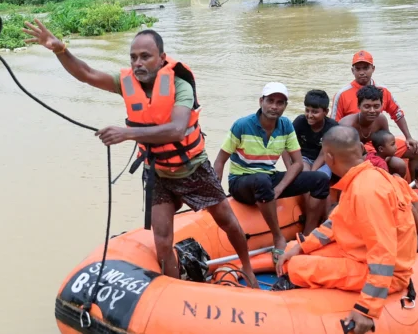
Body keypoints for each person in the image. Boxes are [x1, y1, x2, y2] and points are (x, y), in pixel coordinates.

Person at [22, 21, 258, 287]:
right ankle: (173, 289)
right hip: (158, 172)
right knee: (162, 240)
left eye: (145, 56)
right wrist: (60, 50)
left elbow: (178, 130)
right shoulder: (126, 83)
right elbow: (86, 73)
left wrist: (126, 133)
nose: (138, 63)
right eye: (133, 57)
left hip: (192, 167)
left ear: (161, 59)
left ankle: (247, 267)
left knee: (228, 221)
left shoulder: (180, 85)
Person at [273, 126, 418, 334]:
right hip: (358, 252)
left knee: (296, 267)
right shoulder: (362, 178)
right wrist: (302, 246)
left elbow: (383, 253)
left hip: (385, 270)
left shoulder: (367, 190)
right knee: (293, 250)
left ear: (329, 158)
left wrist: (367, 309)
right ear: (360, 148)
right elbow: (334, 224)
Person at [212, 82, 331, 259]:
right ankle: (278, 237)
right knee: (261, 180)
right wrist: (215, 197)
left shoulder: (285, 125)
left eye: (280, 103)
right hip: (241, 181)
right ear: (261, 101)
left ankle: (307, 233)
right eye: (270, 101)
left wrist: (280, 188)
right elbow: (220, 161)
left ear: (285, 106)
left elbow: (298, 163)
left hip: (268, 178)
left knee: (320, 179)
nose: (274, 106)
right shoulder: (242, 125)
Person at [331, 50, 418, 157]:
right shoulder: (341, 94)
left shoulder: (383, 91)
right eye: (358, 68)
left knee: (417, 151)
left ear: (373, 69)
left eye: (365, 68)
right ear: (352, 70)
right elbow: (334, 125)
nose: (362, 72)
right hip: (355, 146)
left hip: (380, 144)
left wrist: (409, 137)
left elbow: (397, 113)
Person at [338, 85, 418, 180]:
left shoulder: (381, 119)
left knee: (408, 157)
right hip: (353, 158)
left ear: (382, 105)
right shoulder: (347, 125)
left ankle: (415, 186)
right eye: (367, 106)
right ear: (358, 106)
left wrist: (383, 158)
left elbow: (388, 144)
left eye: (376, 106)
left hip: (375, 151)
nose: (372, 111)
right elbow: (343, 157)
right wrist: (374, 160)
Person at [292, 89, 339, 177]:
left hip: (324, 160)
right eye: (307, 110)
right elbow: (288, 144)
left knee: (322, 177)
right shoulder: (300, 121)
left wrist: (312, 175)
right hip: (304, 158)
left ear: (326, 112)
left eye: (315, 112)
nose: (309, 115)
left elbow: (323, 154)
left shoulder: (332, 127)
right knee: (304, 174)